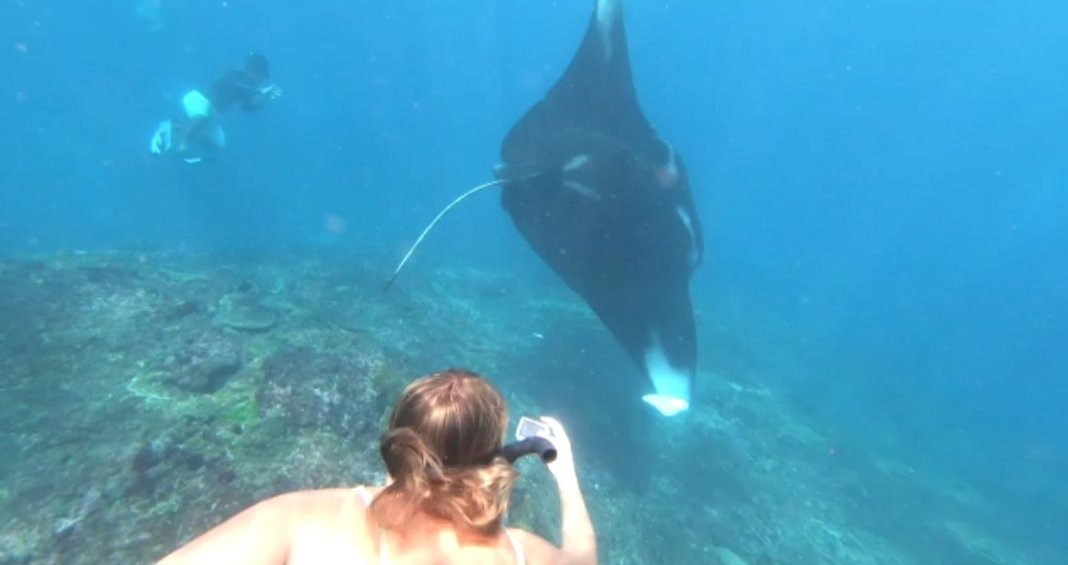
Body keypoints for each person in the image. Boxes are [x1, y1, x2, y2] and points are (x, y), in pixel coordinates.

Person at [157, 369, 598, 564]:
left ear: (398, 438)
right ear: (495, 455)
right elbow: (582, 558)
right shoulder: (524, 554)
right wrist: (566, 475)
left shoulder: (301, 520)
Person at [149, 52, 282, 164]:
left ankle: (176, 127)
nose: (262, 80)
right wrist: (260, 93)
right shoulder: (237, 75)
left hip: (212, 113)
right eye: (262, 75)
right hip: (199, 100)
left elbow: (248, 107)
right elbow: (237, 85)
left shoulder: (249, 86)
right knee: (201, 117)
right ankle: (183, 145)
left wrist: (263, 97)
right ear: (255, 71)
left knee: (218, 144)